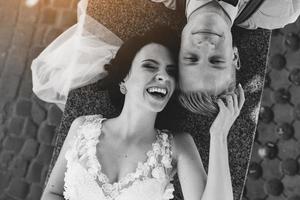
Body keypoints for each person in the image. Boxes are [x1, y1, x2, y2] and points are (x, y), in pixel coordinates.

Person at [40, 27, 245, 200]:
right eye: (149, 66)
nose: (163, 76)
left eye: (171, 72)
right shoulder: (82, 128)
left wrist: (219, 136)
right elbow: (52, 193)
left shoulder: (178, 147)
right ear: (123, 80)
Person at [172, 0, 300, 116]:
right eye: (216, 60)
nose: (205, 45)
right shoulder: (280, 9)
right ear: (234, 56)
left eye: (192, 58)